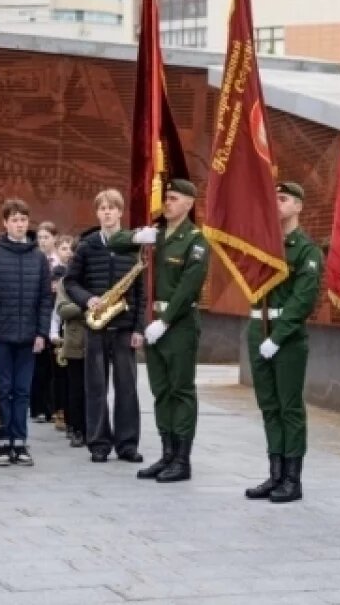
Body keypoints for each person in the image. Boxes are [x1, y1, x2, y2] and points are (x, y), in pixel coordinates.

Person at [111, 179, 210, 482]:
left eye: (174, 198)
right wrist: (140, 235)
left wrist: (164, 321)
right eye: (166, 197)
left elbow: (187, 288)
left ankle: (182, 459)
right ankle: (166, 454)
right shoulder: (159, 235)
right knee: (160, 391)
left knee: (180, 391)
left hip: (177, 325)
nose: (166, 202)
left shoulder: (196, 241)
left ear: (189, 203)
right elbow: (114, 242)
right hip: (154, 323)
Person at [244, 182, 323, 504]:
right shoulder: (264, 245)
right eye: (273, 198)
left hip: (285, 336)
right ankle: (275, 473)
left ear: (298, 207)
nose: (276, 204)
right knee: (269, 406)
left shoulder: (306, 250)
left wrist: (277, 337)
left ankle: (292, 478)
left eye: (284, 199)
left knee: (289, 407)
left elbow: (302, 300)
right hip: (258, 329)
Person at [66, 188, 146, 464]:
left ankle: (127, 445)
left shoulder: (132, 245)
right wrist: (88, 299)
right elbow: (70, 281)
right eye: (102, 208)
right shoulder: (87, 245)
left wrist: (139, 328)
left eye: (112, 208)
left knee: (127, 388)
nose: (107, 212)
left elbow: (140, 290)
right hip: (97, 327)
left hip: (124, 327)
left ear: (120, 212)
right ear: (97, 212)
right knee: (96, 388)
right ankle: (98, 443)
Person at [0, 199, 54, 467]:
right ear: (6, 223)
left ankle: (20, 442)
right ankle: (3, 441)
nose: (20, 224)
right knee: (3, 389)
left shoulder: (39, 258)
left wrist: (42, 333)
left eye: (23, 220)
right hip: (1, 336)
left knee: (23, 391)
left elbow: (45, 299)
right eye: (15, 219)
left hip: (29, 337)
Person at [52, 264, 87, 449]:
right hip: (74, 341)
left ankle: (94, 428)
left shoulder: (97, 279)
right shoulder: (66, 282)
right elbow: (62, 309)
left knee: (96, 388)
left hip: (96, 341)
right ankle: (75, 428)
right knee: (75, 389)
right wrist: (88, 305)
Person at [31, 221, 59, 426]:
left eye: (46, 237)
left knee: (54, 365)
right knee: (38, 364)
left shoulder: (60, 262)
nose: (42, 241)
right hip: (38, 313)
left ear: (54, 238)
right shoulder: (34, 259)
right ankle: (38, 407)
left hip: (56, 312)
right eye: (39, 238)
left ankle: (53, 406)